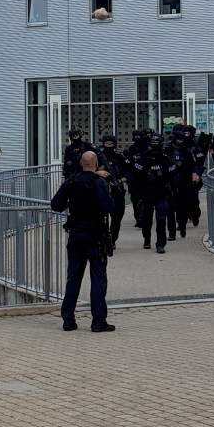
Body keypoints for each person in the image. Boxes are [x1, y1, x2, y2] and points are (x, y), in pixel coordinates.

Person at [51, 149, 116, 332]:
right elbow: (109, 207)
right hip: (95, 237)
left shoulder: (72, 181)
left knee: (73, 278)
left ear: (81, 164)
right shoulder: (99, 182)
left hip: (76, 236)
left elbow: (56, 205)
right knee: (98, 280)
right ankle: (98, 321)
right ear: (96, 165)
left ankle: (68, 320)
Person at [131, 132, 176, 253]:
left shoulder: (165, 157)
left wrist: (164, 178)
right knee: (147, 220)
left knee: (161, 219)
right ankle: (147, 239)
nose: (154, 144)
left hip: (161, 191)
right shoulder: (144, 156)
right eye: (152, 142)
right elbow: (136, 172)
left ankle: (160, 244)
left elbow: (172, 173)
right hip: (146, 192)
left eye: (157, 142)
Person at [97, 133, 128, 247]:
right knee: (102, 217)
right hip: (102, 191)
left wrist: (122, 180)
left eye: (111, 144)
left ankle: (113, 239)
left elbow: (129, 172)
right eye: (107, 143)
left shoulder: (120, 157)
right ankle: (104, 239)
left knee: (117, 216)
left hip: (117, 190)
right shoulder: (98, 157)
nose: (109, 146)